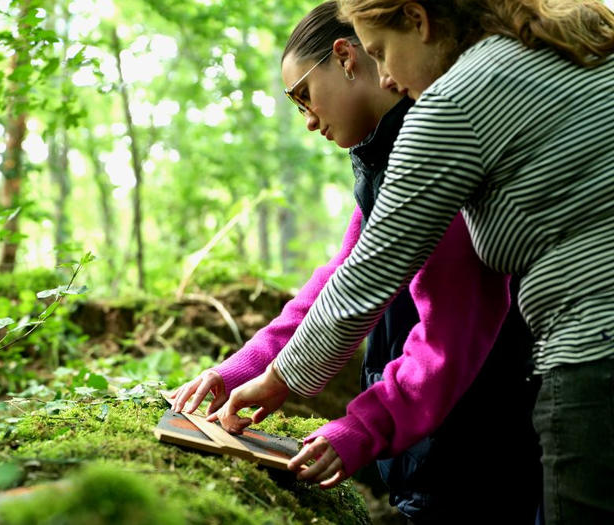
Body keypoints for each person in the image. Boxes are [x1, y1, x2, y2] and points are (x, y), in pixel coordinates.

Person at [210, 0, 614, 523]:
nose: (386, 76)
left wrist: (281, 381)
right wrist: (253, 363)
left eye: (380, 52)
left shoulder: (454, 103)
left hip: (590, 360)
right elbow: (350, 266)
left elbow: (371, 285)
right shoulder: (565, 52)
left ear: (420, 21)